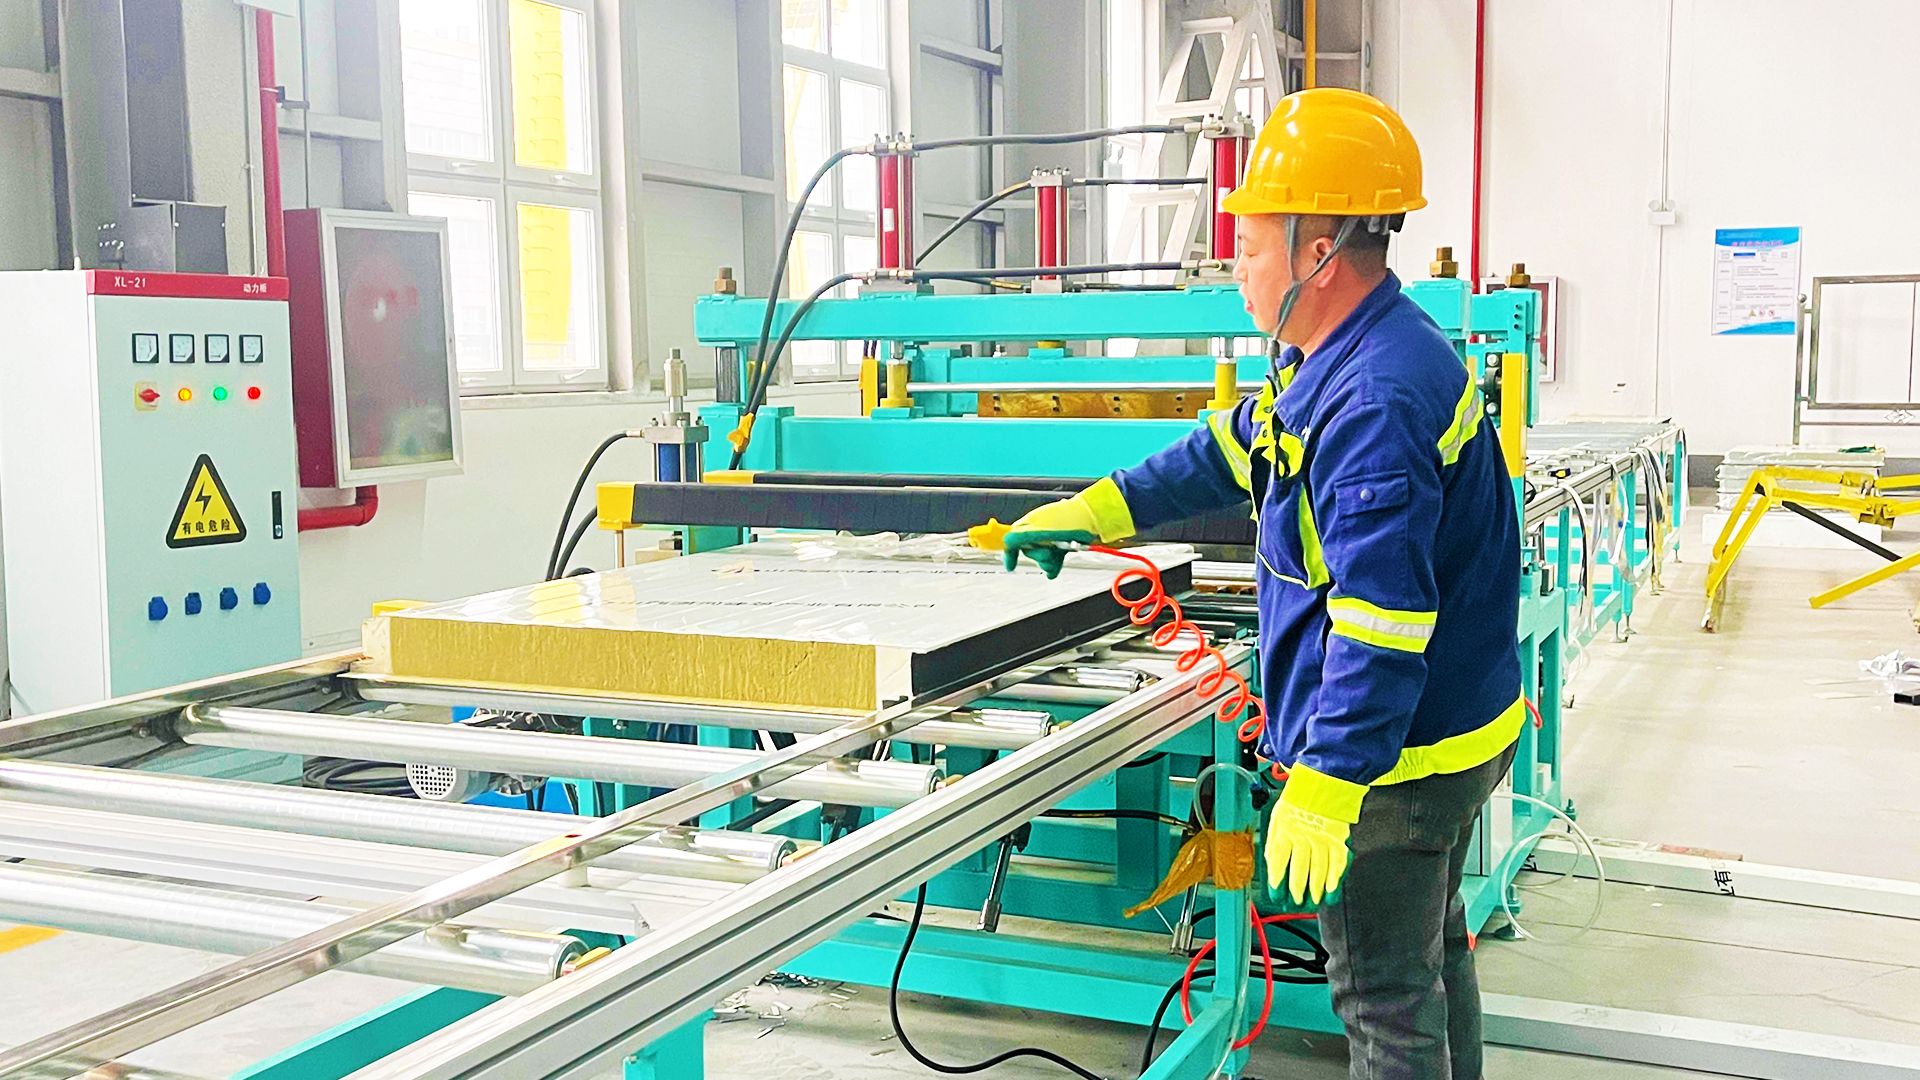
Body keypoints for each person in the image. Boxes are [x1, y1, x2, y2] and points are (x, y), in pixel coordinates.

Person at [992, 88, 1524, 1080]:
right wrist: (1099, 509)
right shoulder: (1345, 350)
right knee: (1431, 956)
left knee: (1382, 999)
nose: (1233, 265)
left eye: (1247, 244)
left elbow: (1382, 623)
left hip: (1397, 763)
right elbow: (1235, 447)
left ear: (1318, 251)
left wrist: (1328, 784)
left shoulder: (1372, 398)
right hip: (1457, 728)